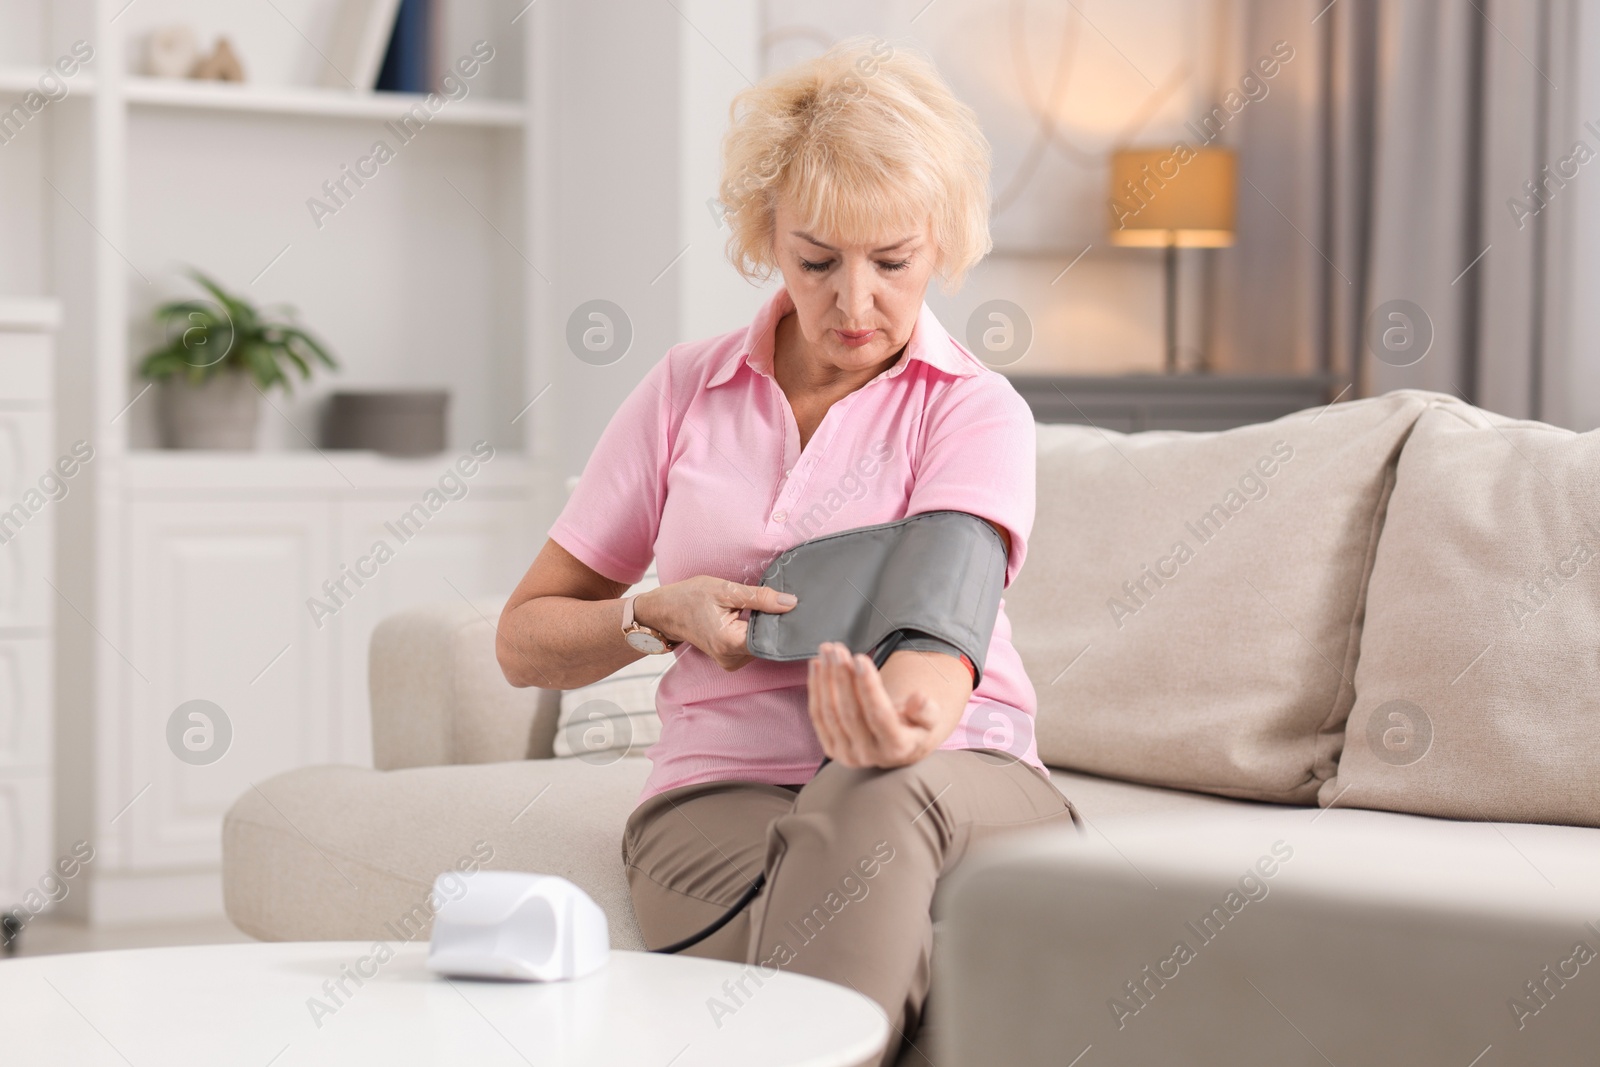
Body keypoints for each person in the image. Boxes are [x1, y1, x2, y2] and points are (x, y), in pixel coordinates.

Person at [495, 35, 1079, 1067]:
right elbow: (523, 640)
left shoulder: (974, 410)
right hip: (716, 795)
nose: (855, 304)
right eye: (817, 261)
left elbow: (940, 627)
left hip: (956, 771)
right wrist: (649, 612)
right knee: (865, 895)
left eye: (892, 262)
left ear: (940, 241)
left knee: (868, 798)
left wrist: (898, 723)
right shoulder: (682, 391)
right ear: (766, 237)